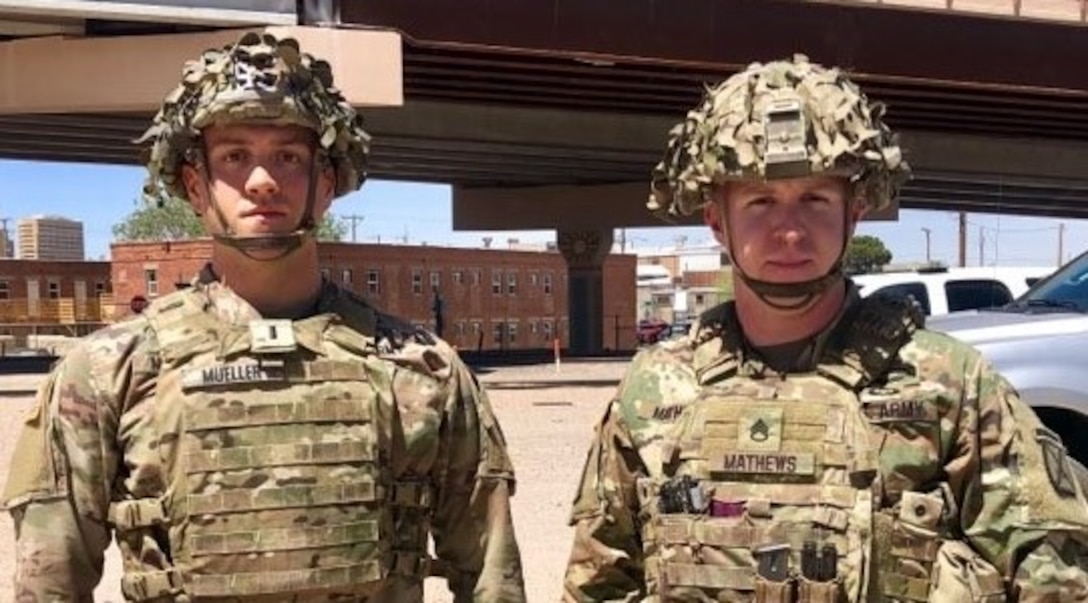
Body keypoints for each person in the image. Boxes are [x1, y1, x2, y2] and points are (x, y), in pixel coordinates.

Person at [3, 32, 526, 602]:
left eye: (288, 156)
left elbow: (490, 577)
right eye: (235, 156)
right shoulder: (108, 373)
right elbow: (48, 583)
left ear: (326, 184)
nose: (262, 181)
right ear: (196, 185)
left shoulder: (422, 369)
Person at [562, 55, 1088, 602]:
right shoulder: (654, 390)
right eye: (760, 200)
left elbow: (1057, 573)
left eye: (814, 199)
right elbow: (597, 582)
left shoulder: (949, 384)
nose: (789, 230)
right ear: (716, 220)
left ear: (853, 212)